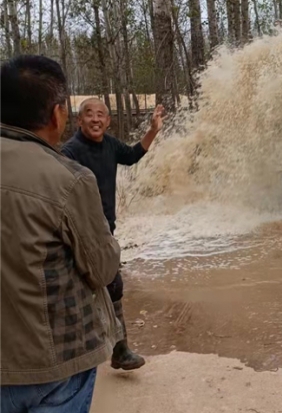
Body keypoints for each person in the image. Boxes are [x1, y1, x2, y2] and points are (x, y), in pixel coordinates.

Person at [1, 55, 122, 412]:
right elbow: (102, 269)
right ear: (58, 115)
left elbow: (133, 153)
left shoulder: (105, 148)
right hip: (54, 361)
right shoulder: (67, 176)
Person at [61, 98, 164, 371]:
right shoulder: (69, 152)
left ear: (108, 121)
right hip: (79, 233)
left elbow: (132, 155)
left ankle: (116, 350)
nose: (95, 119)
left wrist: (153, 130)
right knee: (90, 289)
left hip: (105, 231)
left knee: (112, 287)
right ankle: (95, 353)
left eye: (101, 115)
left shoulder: (110, 145)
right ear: (79, 120)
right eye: (89, 114)